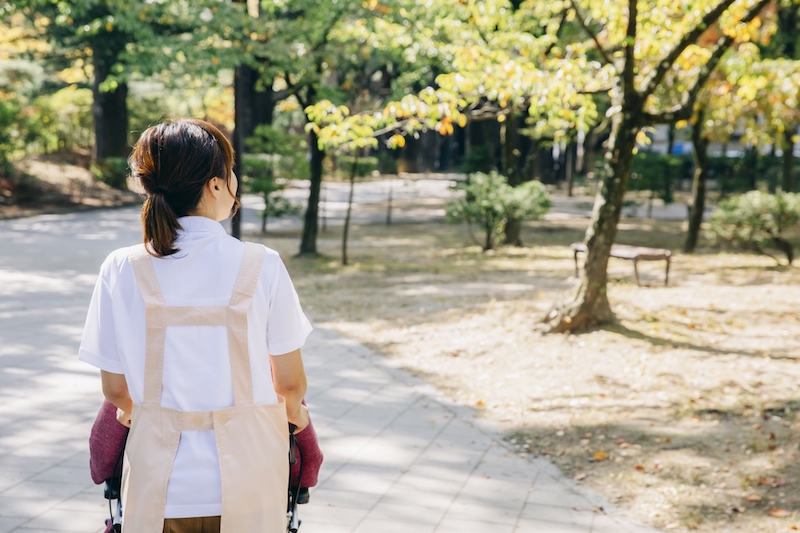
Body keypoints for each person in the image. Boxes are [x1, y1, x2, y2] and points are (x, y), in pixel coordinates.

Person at [78, 118, 312, 533]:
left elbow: (116, 392)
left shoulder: (121, 267)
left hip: (159, 487)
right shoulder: (263, 264)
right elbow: (290, 385)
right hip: (252, 482)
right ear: (216, 185)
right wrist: (293, 417)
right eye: (231, 170)